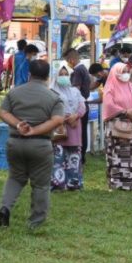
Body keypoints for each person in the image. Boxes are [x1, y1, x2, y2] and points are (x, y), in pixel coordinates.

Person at [0, 60, 65, 229]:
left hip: (15, 142)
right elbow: (58, 120)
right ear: (48, 76)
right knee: (40, 184)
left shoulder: (14, 93)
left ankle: (5, 208)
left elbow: (2, 112)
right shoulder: (54, 97)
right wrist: (35, 130)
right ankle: (36, 222)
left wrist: (18, 125)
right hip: (40, 145)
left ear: (29, 74)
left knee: (15, 178)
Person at [101, 62, 132, 191]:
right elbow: (109, 105)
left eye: (127, 71)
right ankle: (119, 183)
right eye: (123, 71)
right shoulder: (110, 88)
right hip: (116, 125)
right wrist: (126, 112)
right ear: (116, 72)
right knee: (119, 154)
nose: (126, 74)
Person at [50, 62, 86, 191]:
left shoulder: (75, 90)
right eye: (61, 74)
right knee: (58, 156)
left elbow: (82, 105)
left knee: (74, 155)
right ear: (56, 75)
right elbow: (51, 109)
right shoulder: (52, 91)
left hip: (75, 126)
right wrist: (66, 118)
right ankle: (58, 183)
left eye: (66, 74)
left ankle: (74, 182)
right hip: (60, 127)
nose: (64, 76)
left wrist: (76, 116)